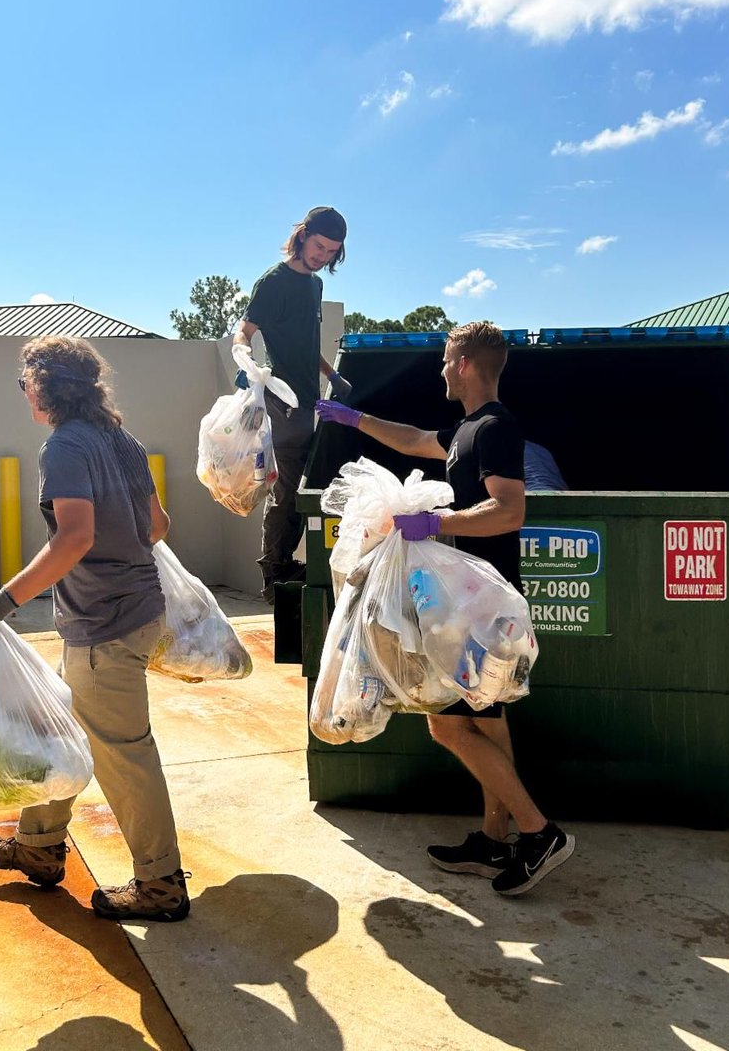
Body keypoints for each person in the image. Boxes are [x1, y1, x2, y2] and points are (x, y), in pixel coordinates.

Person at [315, 321, 575, 897]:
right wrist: (354, 419)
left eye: (443, 360)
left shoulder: (498, 428)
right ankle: (495, 837)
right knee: (486, 717)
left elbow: (509, 511)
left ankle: (538, 832)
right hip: (476, 602)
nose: (438, 369)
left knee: (444, 722)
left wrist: (437, 523)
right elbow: (412, 439)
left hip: (480, 605)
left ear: (461, 362)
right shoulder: (466, 429)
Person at [0, 336, 190, 922]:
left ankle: (161, 884)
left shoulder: (64, 446)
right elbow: (157, 526)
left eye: (26, 383)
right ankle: (38, 847)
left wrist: (3, 600)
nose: (24, 394)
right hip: (135, 610)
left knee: (123, 753)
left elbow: (75, 536)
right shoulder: (123, 441)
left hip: (104, 625)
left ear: (45, 387)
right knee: (62, 732)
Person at [233, 206, 351, 603]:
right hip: (281, 402)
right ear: (302, 236)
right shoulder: (273, 282)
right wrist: (245, 360)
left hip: (310, 403)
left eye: (332, 251)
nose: (323, 256)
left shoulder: (314, 287)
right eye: (319, 246)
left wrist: (331, 375)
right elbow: (243, 332)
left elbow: (308, 344)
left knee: (309, 486)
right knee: (288, 489)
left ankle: (284, 562)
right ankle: (275, 571)